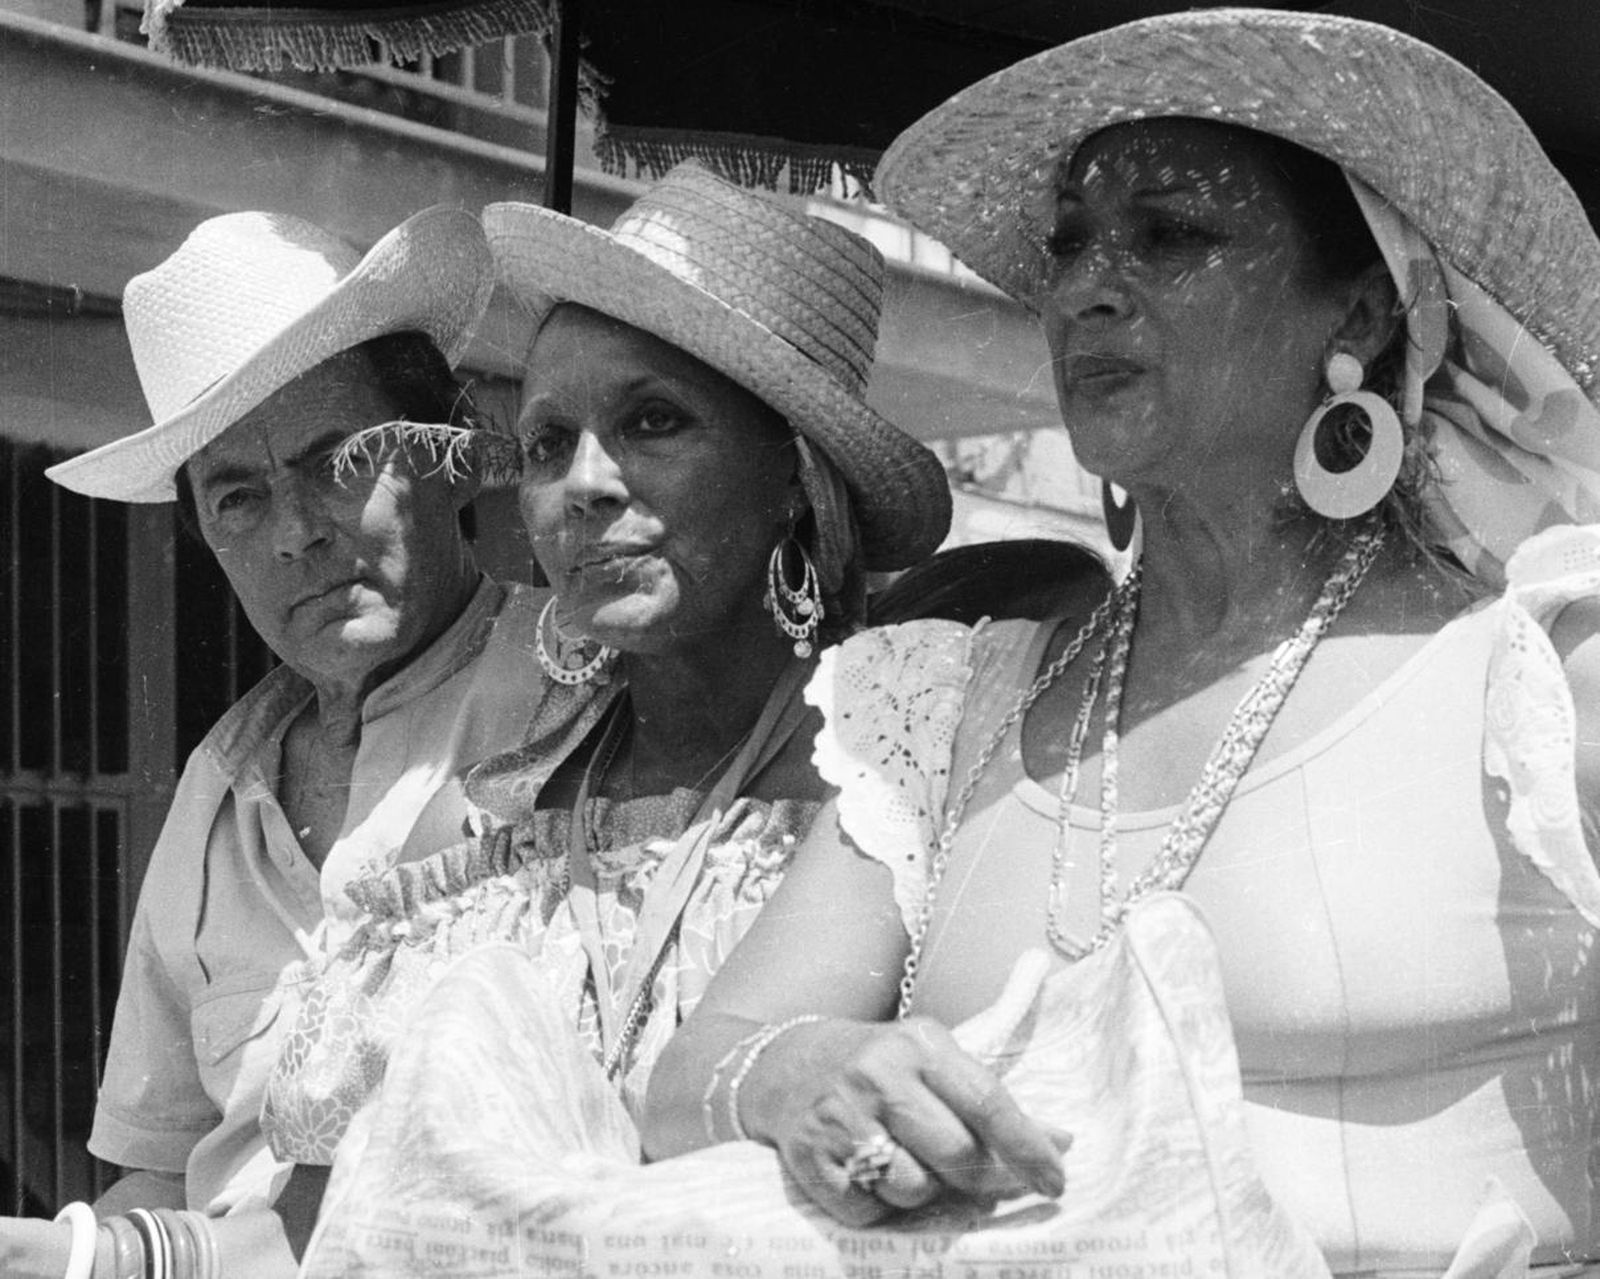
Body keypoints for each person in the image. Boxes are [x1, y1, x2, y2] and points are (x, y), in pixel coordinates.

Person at [639, 11, 1600, 1277]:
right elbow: (688, 1082)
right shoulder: (942, 700)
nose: (1086, 284)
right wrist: (805, 1071)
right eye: (1070, 241)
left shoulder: (1539, 676)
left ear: (1360, 309)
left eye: (1173, 234)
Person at [263, 163, 965, 1262]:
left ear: (796, 475)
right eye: (546, 444)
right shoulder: (483, 825)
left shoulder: (900, 773)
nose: (583, 483)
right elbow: (332, 1218)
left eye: (651, 421)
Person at [7, 206, 553, 1276]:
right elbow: (158, 1164)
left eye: (339, 461)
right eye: (238, 498)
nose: (296, 530)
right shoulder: (219, 790)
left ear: (448, 456)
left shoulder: (576, 695)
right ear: (205, 536)